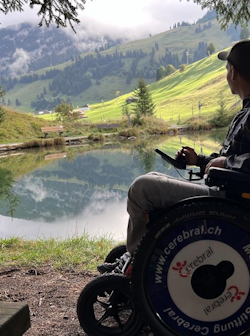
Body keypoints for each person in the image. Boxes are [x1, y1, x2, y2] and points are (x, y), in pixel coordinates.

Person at [98, 39, 250, 274]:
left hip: (229, 199)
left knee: (143, 188)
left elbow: (234, 162)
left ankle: (140, 265)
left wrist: (226, 162)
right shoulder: (245, 110)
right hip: (226, 192)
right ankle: (138, 254)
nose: (226, 74)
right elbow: (232, 158)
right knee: (154, 177)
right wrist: (199, 160)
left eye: (227, 68)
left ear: (235, 72)